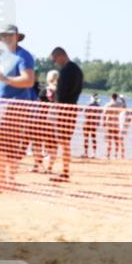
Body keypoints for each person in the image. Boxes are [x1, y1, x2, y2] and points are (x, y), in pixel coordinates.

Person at [0, 25, 36, 193]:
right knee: (8, 144)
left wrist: (4, 79)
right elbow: (0, 82)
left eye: (8, 35)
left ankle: (2, 182)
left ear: (16, 36)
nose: (5, 38)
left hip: (15, 106)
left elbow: (28, 81)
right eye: (2, 36)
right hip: (4, 106)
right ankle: (9, 181)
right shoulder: (4, 57)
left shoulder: (23, 56)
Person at [50, 47, 83, 181]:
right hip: (72, 107)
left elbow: (62, 92)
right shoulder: (77, 70)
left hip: (64, 110)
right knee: (65, 142)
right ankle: (65, 170)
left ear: (61, 56)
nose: (55, 63)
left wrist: (54, 92)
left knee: (63, 142)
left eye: (55, 59)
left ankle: (65, 171)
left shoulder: (66, 70)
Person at [102, 93, 126, 159]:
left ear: (111, 97)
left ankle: (108, 155)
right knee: (116, 141)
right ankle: (115, 155)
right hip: (116, 123)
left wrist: (103, 123)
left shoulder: (108, 104)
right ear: (116, 97)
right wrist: (122, 98)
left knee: (109, 141)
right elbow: (124, 105)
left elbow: (104, 114)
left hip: (109, 123)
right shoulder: (119, 104)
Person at [83, 93, 101, 158]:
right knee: (93, 138)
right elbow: (98, 116)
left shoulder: (89, 104)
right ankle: (93, 153)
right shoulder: (98, 105)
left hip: (88, 122)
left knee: (86, 138)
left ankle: (86, 153)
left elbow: (85, 113)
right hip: (93, 123)